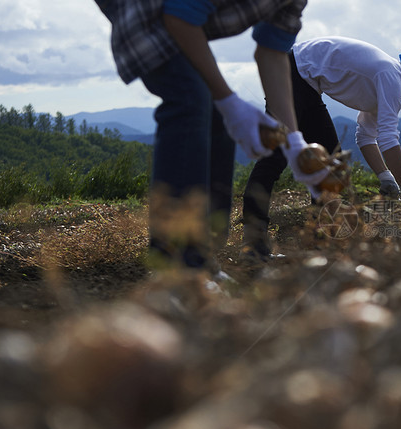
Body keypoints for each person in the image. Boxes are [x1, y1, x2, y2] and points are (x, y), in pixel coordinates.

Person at [94, 0, 334, 278]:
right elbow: (178, 17)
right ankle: (178, 264)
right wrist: (228, 100)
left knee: (215, 119)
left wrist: (294, 142)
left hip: (175, 16)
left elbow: (273, 52)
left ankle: (199, 255)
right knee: (189, 98)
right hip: (148, 7)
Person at [242, 36, 401, 260]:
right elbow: (388, 139)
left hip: (305, 82)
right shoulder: (391, 77)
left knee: (330, 165)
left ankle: (318, 245)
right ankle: (254, 247)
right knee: (274, 159)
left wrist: (386, 177)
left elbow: (365, 136)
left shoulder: (390, 82)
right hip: (291, 73)